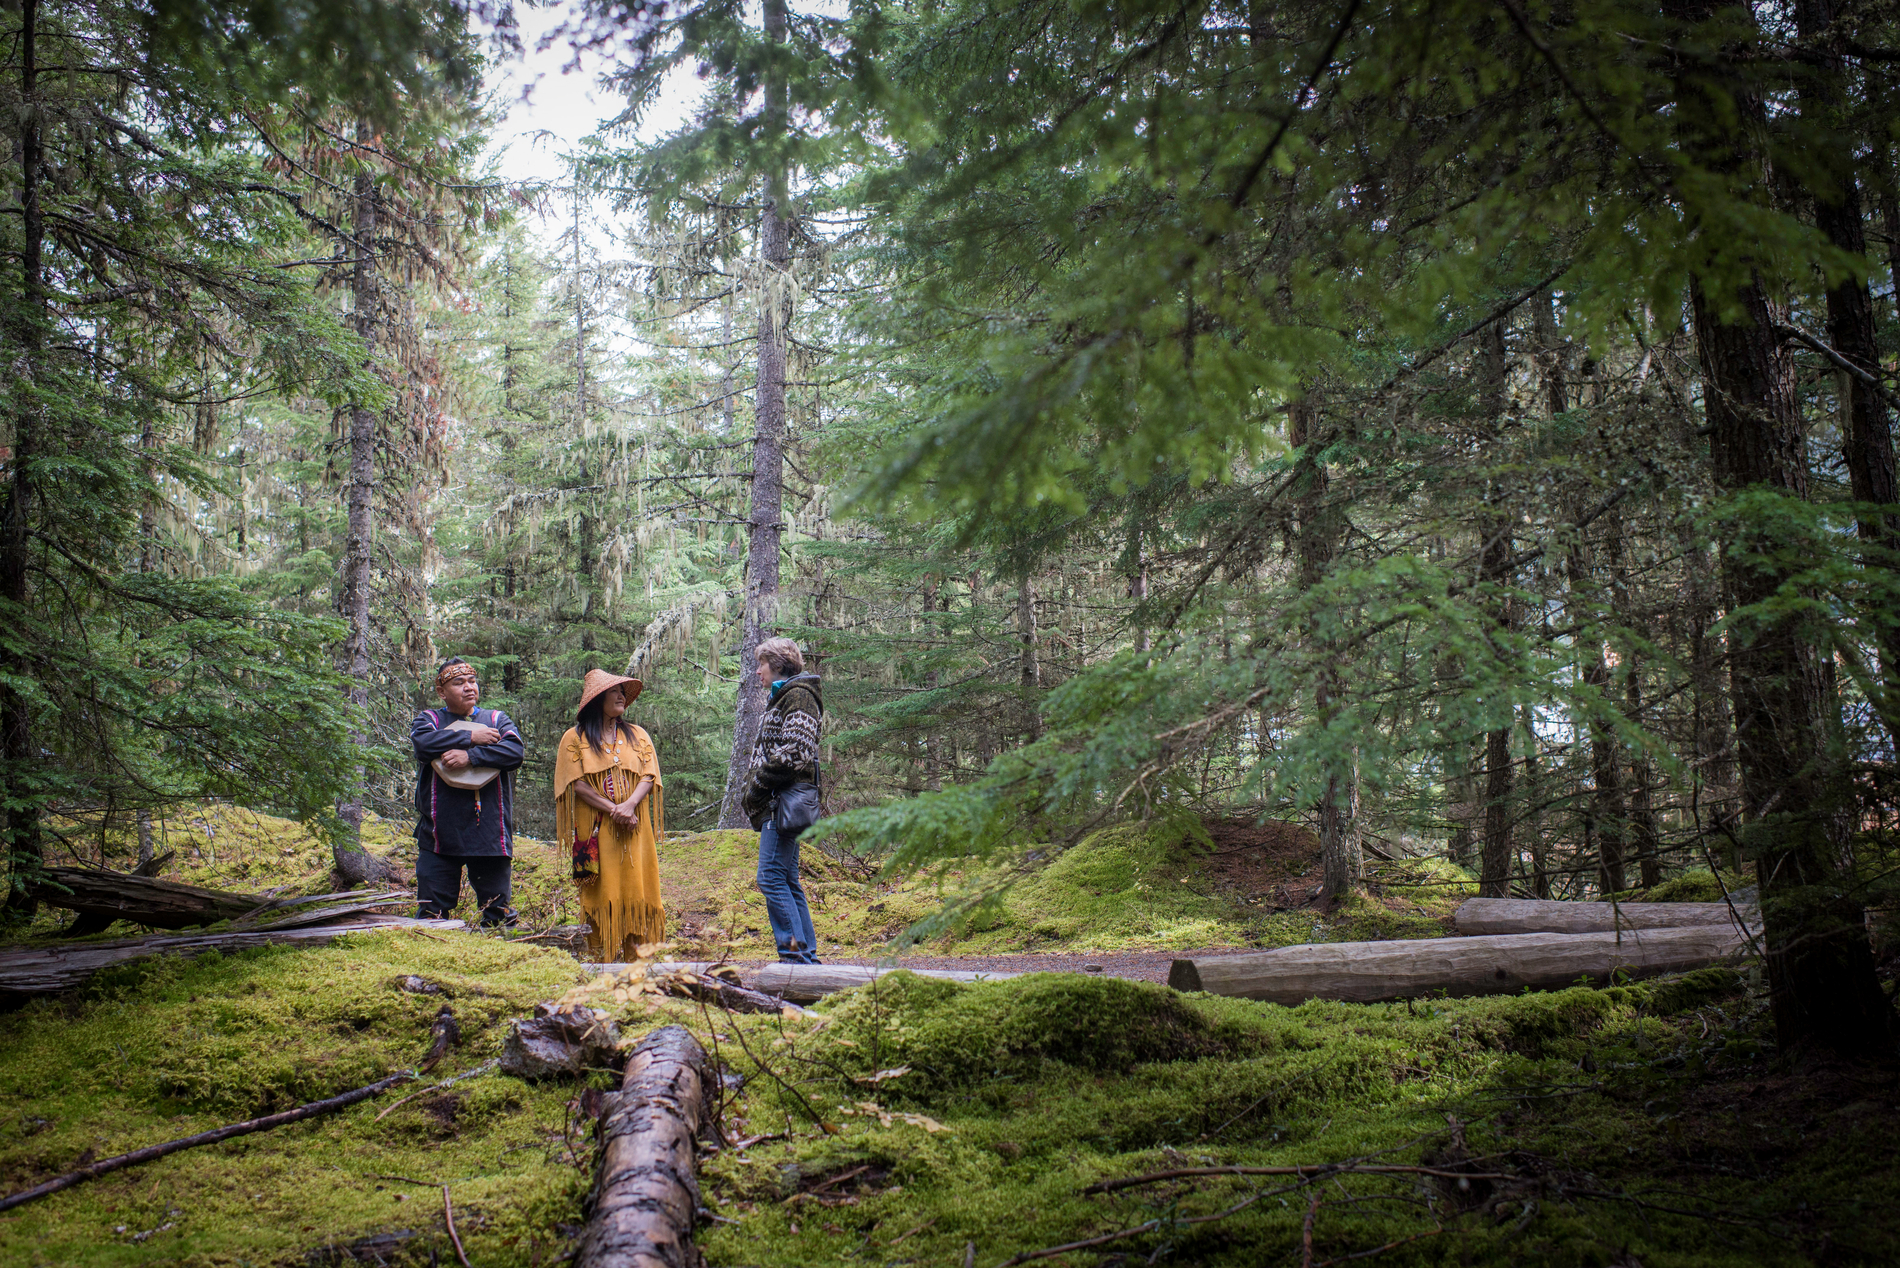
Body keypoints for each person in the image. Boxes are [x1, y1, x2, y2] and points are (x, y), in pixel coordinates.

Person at [554, 669, 665, 961]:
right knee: (600, 892)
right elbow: (575, 783)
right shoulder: (574, 738)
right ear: (595, 699)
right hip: (596, 830)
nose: (620, 696)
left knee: (637, 889)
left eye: (622, 692)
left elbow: (649, 775)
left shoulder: (637, 735)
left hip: (634, 829)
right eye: (614, 691)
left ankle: (639, 958)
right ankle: (598, 956)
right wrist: (614, 808)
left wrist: (629, 806)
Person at [409, 657, 525, 925]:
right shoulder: (430, 719)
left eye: (472, 681)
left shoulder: (496, 719)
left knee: (497, 914)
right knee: (431, 913)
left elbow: (514, 752)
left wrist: (470, 757)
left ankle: (500, 962)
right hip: (439, 834)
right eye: (458, 683)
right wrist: (472, 737)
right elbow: (423, 745)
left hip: (488, 834)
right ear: (442, 692)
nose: (468, 687)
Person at [742, 636, 825, 964]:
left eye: (761, 664)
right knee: (787, 879)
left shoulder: (800, 696)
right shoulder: (785, 697)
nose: (757, 671)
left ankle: (795, 960)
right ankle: (806, 958)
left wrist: (758, 785)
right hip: (778, 802)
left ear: (777, 663)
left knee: (771, 877)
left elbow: (797, 752)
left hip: (781, 802)